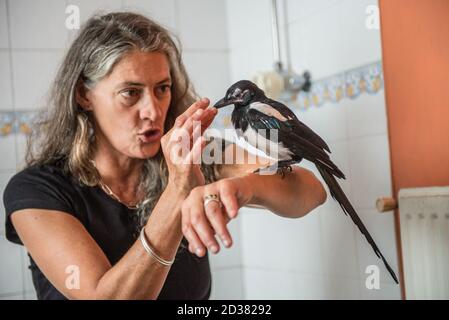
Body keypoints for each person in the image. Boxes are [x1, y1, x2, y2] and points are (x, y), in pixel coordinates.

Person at [3, 12, 327, 300]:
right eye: (130, 93)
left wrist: (246, 188)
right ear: (84, 96)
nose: (153, 111)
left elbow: (311, 192)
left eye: (162, 88)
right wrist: (179, 190)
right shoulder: (36, 191)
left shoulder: (195, 153)